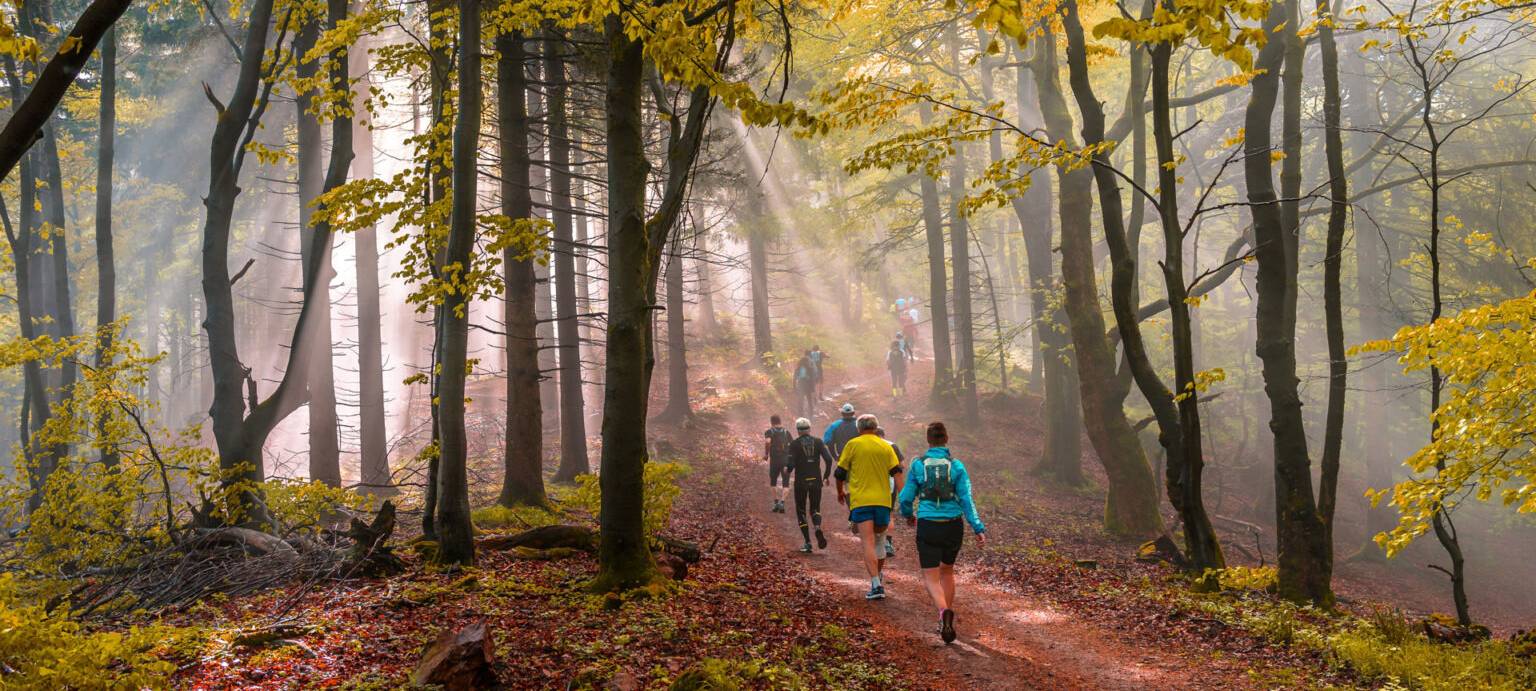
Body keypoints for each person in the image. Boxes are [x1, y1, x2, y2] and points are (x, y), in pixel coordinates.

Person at [897, 421, 987, 644]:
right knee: (947, 571)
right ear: (946, 439)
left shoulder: (918, 465)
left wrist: (908, 515)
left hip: (928, 524)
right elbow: (966, 499)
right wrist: (977, 527)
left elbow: (905, 497)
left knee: (931, 576)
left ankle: (943, 612)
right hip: (953, 525)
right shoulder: (957, 466)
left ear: (928, 440)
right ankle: (946, 618)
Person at [835, 414, 904, 600]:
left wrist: (840, 491)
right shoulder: (886, 446)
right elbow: (897, 473)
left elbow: (840, 472)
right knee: (880, 541)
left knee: (868, 541)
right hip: (883, 501)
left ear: (859, 428)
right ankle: (878, 577)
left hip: (862, 501)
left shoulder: (853, 444)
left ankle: (875, 584)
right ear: (875, 427)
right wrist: (904, 499)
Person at [786, 417, 835, 553]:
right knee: (815, 508)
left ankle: (808, 542)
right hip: (816, 479)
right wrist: (826, 476)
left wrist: (788, 470)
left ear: (798, 430)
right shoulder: (818, 442)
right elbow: (829, 459)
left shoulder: (794, 444)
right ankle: (817, 527)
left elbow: (790, 464)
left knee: (801, 510)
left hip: (801, 481)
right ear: (809, 429)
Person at [876, 426, 905, 560]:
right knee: (889, 513)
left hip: (872, 484)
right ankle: (887, 543)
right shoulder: (892, 445)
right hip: (889, 484)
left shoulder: (867, 445)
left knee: (872, 512)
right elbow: (902, 465)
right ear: (884, 434)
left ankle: (875, 541)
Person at [763, 415, 793, 513]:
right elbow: (792, 445)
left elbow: (768, 442)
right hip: (785, 460)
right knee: (786, 483)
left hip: (774, 461)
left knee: (773, 482)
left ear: (771, 422)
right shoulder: (786, 432)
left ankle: (776, 503)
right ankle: (782, 502)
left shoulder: (769, 431)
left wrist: (766, 454)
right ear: (780, 421)